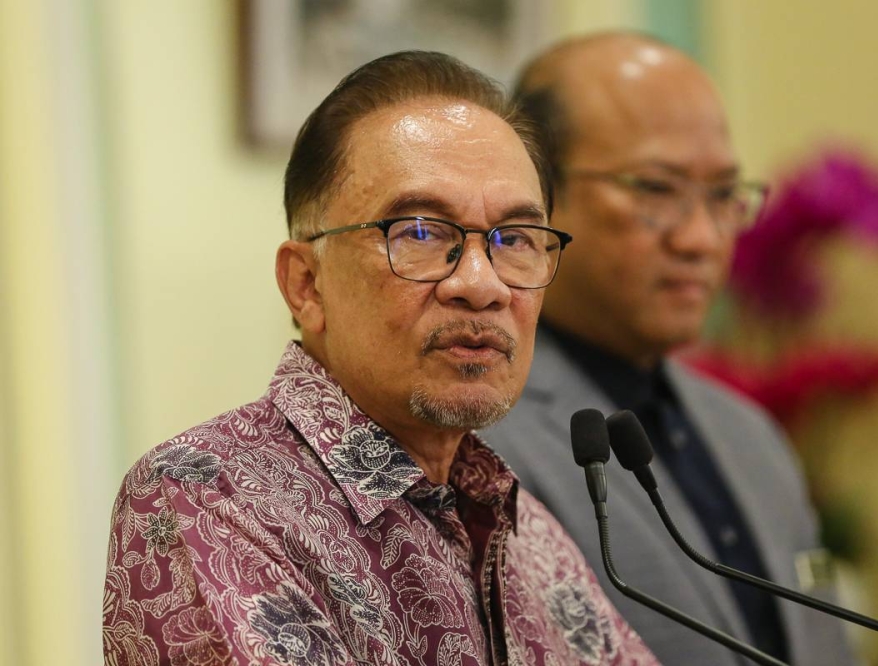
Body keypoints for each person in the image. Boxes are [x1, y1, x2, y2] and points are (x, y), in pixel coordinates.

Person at [102, 51, 659, 665]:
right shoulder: (208, 498)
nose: (482, 284)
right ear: (306, 285)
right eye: (420, 232)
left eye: (516, 239)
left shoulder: (519, 526)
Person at [483, 32, 856, 665]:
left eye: (721, 196)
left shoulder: (750, 436)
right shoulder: (480, 439)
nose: (702, 238)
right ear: (536, 196)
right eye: (656, 190)